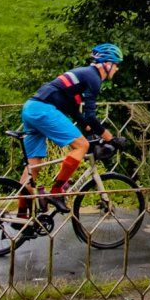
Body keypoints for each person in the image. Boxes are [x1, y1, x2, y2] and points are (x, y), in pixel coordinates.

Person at [17, 42, 124, 214]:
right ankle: (57, 192)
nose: (117, 69)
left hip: (30, 108)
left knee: (33, 167)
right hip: (44, 110)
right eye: (116, 64)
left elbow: (78, 115)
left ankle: (22, 215)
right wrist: (111, 138)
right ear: (107, 63)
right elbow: (90, 117)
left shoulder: (83, 74)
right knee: (81, 146)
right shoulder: (94, 78)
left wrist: (91, 133)